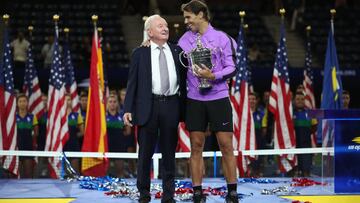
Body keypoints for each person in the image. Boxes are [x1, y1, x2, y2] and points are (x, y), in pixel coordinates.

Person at [178, 1, 238, 202]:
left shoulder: (222, 38)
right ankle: (197, 192)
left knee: (226, 145)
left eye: (188, 17)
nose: (186, 22)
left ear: (201, 14)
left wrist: (214, 75)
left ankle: (232, 191)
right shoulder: (184, 40)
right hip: (194, 99)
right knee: (196, 145)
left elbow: (232, 67)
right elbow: (171, 59)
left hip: (219, 97)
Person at [123, 15, 186, 203]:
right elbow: (132, 83)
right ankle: (144, 194)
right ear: (149, 32)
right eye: (160, 26)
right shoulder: (139, 53)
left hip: (171, 105)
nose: (165, 28)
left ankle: (168, 196)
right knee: (145, 155)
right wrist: (128, 108)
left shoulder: (178, 51)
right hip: (147, 107)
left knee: (169, 154)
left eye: (166, 25)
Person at [106, 94, 131, 177]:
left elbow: (128, 131)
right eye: (110, 102)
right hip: (107, 146)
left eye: (114, 102)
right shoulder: (103, 117)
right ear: (107, 103)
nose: (112, 103)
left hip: (119, 146)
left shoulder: (122, 116)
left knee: (120, 172)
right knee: (106, 172)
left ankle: (121, 189)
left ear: (117, 103)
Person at [293, 92, 317, 177]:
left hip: (306, 146)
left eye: (302, 99)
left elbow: (314, 127)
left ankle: (308, 190)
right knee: (295, 173)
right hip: (294, 147)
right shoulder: (290, 113)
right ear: (294, 100)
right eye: (298, 99)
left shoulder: (310, 113)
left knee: (306, 171)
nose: (300, 101)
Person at [16, 94, 38, 178]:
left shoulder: (32, 117)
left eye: (24, 101)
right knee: (15, 175)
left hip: (28, 148)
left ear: (27, 103)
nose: (22, 103)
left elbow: (36, 133)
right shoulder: (14, 117)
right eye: (20, 101)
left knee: (28, 174)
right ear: (17, 103)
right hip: (16, 149)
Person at [63, 94, 84, 173]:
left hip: (74, 145)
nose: (67, 102)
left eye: (69, 100)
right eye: (65, 100)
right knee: (64, 173)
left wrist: (73, 136)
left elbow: (82, 132)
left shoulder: (77, 115)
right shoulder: (60, 116)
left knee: (75, 172)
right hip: (63, 146)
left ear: (71, 102)